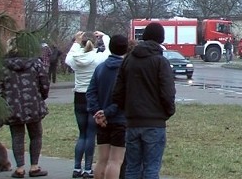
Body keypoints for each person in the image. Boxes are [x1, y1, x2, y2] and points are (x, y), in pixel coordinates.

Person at [112, 22, 176, 179]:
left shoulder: (128, 60)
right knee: (151, 169)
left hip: (133, 121)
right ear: (161, 39)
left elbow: (118, 92)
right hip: (154, 123)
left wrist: (127, 109)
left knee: (132, 168)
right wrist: (168, 112)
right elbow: (168, 93)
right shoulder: (161, 62)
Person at [0, 38, 50, 178]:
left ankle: (19, 168)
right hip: (33, 104)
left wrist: (3, 102)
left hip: (13, 106)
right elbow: (44, 83)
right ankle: (34, 166)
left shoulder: (2, 66)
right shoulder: (35, 63)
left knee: (17, 136)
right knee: (36, 135)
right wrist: (41, 97)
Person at [65, 31, 110, 178]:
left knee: (82, 134)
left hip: (78, 97)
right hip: (93, 97)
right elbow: (110, 51)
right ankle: (88, 169)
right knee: (91, 134)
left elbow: (68, 58)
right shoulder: (98, 59)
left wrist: (76, 43)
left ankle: (76, 168)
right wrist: (105, 37)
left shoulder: (75, 59)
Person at [86, 35, 129, 179]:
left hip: (101, 121)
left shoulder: (100, 68)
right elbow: (124, 97)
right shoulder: (127, 70)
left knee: (102, 159)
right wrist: (107, 113)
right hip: (120, 119)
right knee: (115, 161)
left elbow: (90, 92)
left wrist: (97, 113)